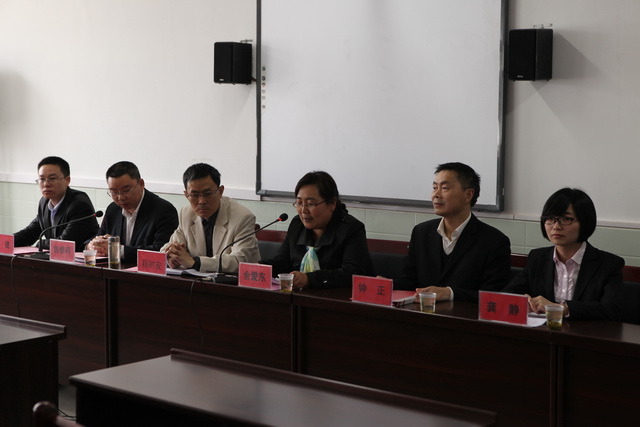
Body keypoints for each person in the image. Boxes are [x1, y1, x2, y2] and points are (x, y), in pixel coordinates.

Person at [394, 162, 511, 302]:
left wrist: (450, 294)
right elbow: (408, 282)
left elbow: (493, 296)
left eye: (444, 188)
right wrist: (387, 285)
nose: (436, 195)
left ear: (468, 195)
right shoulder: (421, 232)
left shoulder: (494, 241)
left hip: (465, 315)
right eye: (434, 188)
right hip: (421, 312)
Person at [502, 188, 623, 321]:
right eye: (550, 219)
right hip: (541, 331)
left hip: (585, 332)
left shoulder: (608, 264)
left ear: (585, 222)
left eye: (566, 219)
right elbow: (506, 295)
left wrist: (560, 309)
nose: (556, 226)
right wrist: (521, 300)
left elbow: (612, 310)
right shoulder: (537, 258)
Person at [260, 171, 373, 289]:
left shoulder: (351, 229)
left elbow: (351, 274)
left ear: (332, 204)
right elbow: (282, 263)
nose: (303, 210)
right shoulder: (297, 225)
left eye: (310, 204)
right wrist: (259, 267)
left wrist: (309, 279)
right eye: (299, 203)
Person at [161, 163, 259, 273]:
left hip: (236, 281)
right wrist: (171, 257)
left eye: (207, 193)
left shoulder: (242, 217)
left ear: (220, 192)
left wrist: (194, 262)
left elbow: (240, 261)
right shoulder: (186, 213)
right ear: (186, 195)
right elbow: (169, 248)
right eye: (195, 195)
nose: (201, 201)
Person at [86, 161, 178, 262]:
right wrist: (92, 246)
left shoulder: (163, 210)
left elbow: (162, 251)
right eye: (114, 192)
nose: (120, 197)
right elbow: (100, 237)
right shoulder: (113, 209)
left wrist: (117, 250)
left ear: (141, 184)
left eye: (126, 190)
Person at [14, 156, 99, 251]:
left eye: (52, 178)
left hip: (84, 258)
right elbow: (30, 233)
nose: (46, 184)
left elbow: (65, 243)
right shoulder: (44, 202)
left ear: (67, 180)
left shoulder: (79, 204)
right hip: (57, 258)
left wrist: (40, 243)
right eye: (42, 179)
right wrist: (6, 240)